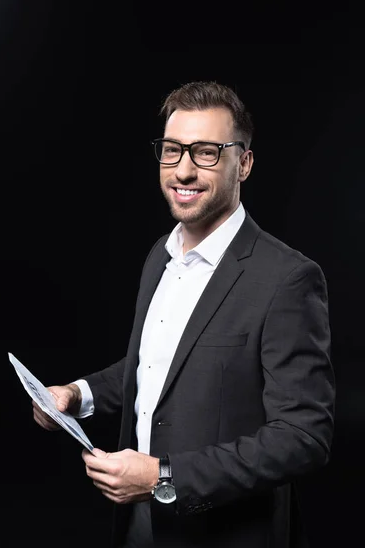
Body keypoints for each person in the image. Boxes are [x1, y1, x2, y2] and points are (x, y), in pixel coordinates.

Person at [32, 81, 335, 548]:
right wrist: (77, 394)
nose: (184, 170)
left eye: (207, 153)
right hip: (137, 525)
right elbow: (158, 364)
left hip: (226, 535)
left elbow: (303, 437)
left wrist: (162, 477)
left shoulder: (288, 279)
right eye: (172, 151)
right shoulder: (161, 254)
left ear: (245, 164)